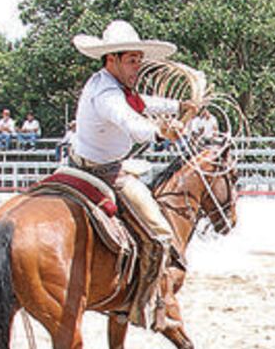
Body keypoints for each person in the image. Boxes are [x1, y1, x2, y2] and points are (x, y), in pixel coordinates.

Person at [70, 19, 191, 330]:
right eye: (132, 61)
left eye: (139, 60)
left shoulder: (111, 86)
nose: (138, 67)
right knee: (161, 234)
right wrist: (161, 132)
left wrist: (178, 106)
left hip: (76, 166)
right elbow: (132, 123)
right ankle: (142, 306)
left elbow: (142, 103)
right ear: (112, 59)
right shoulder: (108, 95)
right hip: (107, 174)